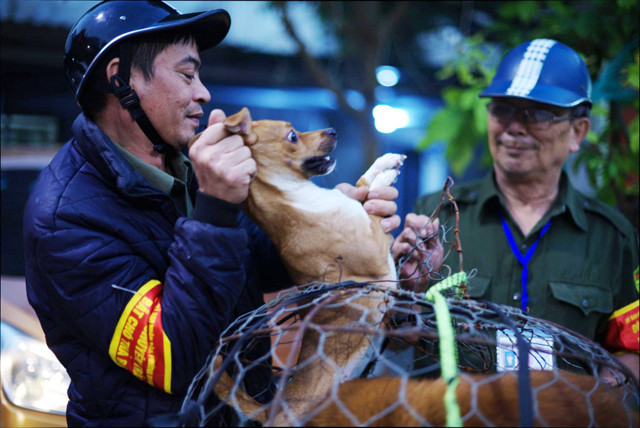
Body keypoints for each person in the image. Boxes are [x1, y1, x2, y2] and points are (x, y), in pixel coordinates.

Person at [23, 1, 400, 426]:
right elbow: (178, 359)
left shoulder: (188, 164)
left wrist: (342, 226)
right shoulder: (64, 219)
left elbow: (262, 259)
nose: (203, 92)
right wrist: (215, 208)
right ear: (120, 79)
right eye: (187, 74)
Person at [393, 39, 639, 380]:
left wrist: (601, 403)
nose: (514, 127)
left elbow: (628, 349)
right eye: (503, 109)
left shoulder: (612, 238)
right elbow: (394, 339)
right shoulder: (437, 217)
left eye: (537, 113)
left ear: (577, 132)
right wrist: (410, 287)